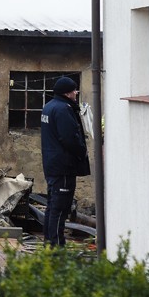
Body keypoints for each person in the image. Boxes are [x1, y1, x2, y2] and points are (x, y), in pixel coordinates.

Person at [40, 76, 91, 246]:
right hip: (63, 166)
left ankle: (49, 243)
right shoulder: (63, 109)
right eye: (75, 90)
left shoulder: (49, 107)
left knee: (52, 206)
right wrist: (82, 152)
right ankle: (56, 247)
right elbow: (70, 138)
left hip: (52, 164)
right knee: (60, 208)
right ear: (68, 93)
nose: (76, 92)